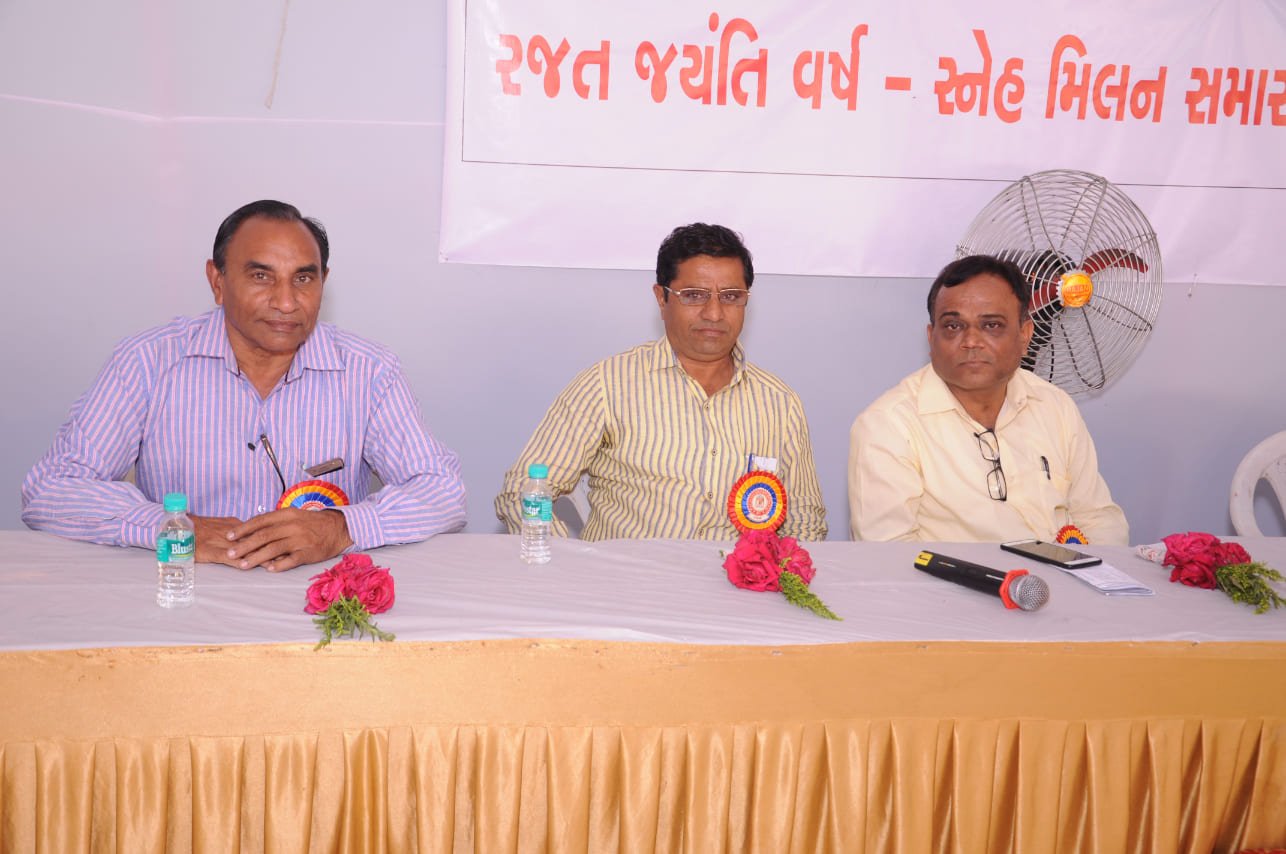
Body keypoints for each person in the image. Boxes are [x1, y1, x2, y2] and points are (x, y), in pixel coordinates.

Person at [23, 199, 466, 571]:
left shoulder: (369, 371)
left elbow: (442, 491)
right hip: (182, 594)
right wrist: (175, 529)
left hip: (320, 605)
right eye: (261, 276)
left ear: (323, 283)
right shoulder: (148, 362)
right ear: (217, 282)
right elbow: (51, 489)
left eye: (303, 279)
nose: (286, 302)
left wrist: (341, 527)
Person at [495, 223, 827, 541]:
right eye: (694, 295)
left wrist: (776, 574)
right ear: (661, 298)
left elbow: (805, 522)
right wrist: (572, 566)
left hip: (737, 580)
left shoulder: (779, 402)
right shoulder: (607, 385)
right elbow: (523, 489)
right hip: (627, 578)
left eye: (730, 296)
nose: (714, 313)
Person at [848, 254, 1128, 544]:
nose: (971, 341)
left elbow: (1099, 520)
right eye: (953, 326)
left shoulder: (1054, 405)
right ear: (931, 338)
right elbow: (889, 556)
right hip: (949, 576)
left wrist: (1095, 570)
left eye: (991, 325)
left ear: (1025, 335)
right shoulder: (888, 425)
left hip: (1068, 573)